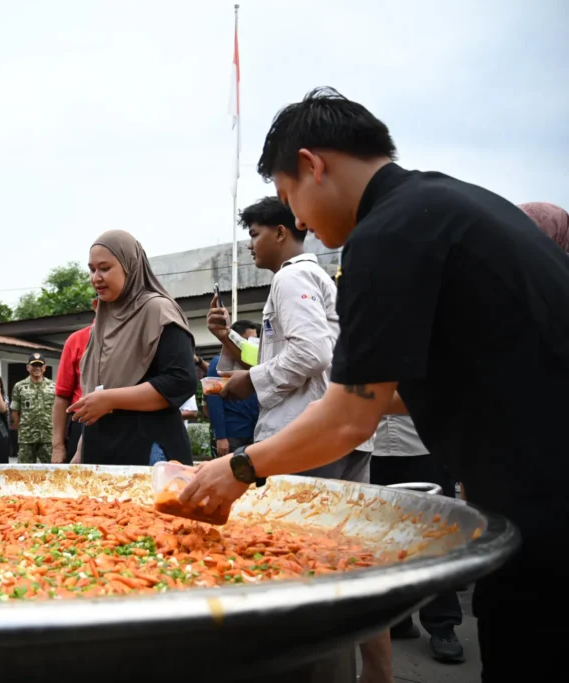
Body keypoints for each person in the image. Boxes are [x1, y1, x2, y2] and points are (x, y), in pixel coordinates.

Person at [181, 86, 569, 682]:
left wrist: (235, 471)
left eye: (291, 199)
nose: (299, 220)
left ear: (313, 165)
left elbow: (348, 418)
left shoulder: (385, 236)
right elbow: (399, 388)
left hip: (546, 507)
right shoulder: (448, 204)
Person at [210, 196, 375, 482]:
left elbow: (311, 353)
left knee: (297, 524)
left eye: (254, 234)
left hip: (306, 432)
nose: (249, 246)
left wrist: (251, 381)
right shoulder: (314, 277)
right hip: (336, 430)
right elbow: (275, 354)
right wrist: (228, 337)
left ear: (280, 232)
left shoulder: (291, 277)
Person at [69, 230, 196, 466]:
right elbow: (95, 391)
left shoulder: (157, 310)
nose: (96, 277)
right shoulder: (103, 319)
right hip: (101, 448)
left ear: (130, 266)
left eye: (105, 268)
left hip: (148, 449)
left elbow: (182, 380)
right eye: (92, 269)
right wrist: (81, 449)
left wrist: (111, 400)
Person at [371, 414, 464, 662]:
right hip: (372, 449)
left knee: (435, 540)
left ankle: (443, 624)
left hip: (425, 447)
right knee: (382, 540)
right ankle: (398, 619)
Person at [52, 298, 97, 464]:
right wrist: (58, 446)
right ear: (96, 305)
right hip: (81, 420)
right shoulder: (77, 340)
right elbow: (62, 395)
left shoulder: (130, 338)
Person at [206, 320, 261, 457]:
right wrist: (221, 437)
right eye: (249, 340)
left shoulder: (255, 366)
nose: (253, 344)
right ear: (236, 339)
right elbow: (213, 402)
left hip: (253, 433)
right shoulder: (218, 364)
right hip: (231, 435)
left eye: (255, 340)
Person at [10, 353, 57, 464]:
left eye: (40, 365)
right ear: (28, 367)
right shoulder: (19, 386)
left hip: (48, 437)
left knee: (51, 471)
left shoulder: (54, 386)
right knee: (24, 472)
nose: (37, 368)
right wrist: (20, 432)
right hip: (27, 438)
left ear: (45, 368)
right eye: (34, 365)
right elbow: (15, 411)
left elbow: (58, 410)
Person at [149, 393, 200, 465]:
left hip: (175, 437)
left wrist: (167, 414)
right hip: (151, 437)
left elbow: (192, 412)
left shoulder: (182, 385)